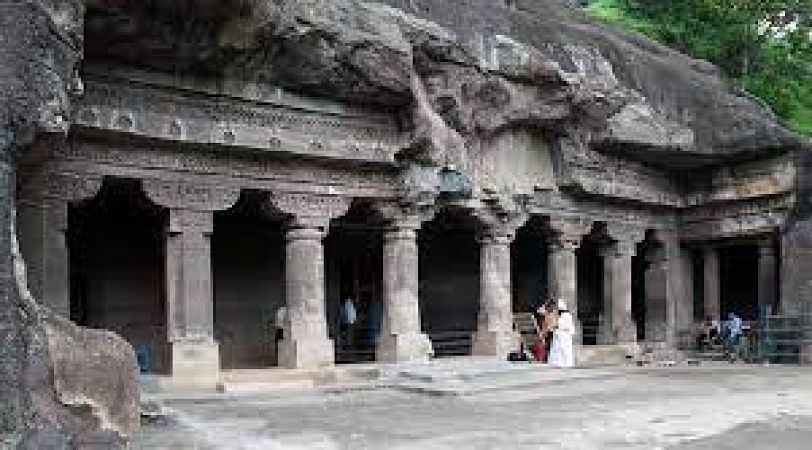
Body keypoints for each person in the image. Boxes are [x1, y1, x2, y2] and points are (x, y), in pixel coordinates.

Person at [548, 299, 575, 368]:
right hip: (559, 334)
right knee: (557, 349)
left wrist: (557, 326)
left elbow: (566, 326)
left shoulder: (567, 316)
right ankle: (558, 363)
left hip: (565, 335)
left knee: (565, 350)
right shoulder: (561, 316)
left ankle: (566, 363)